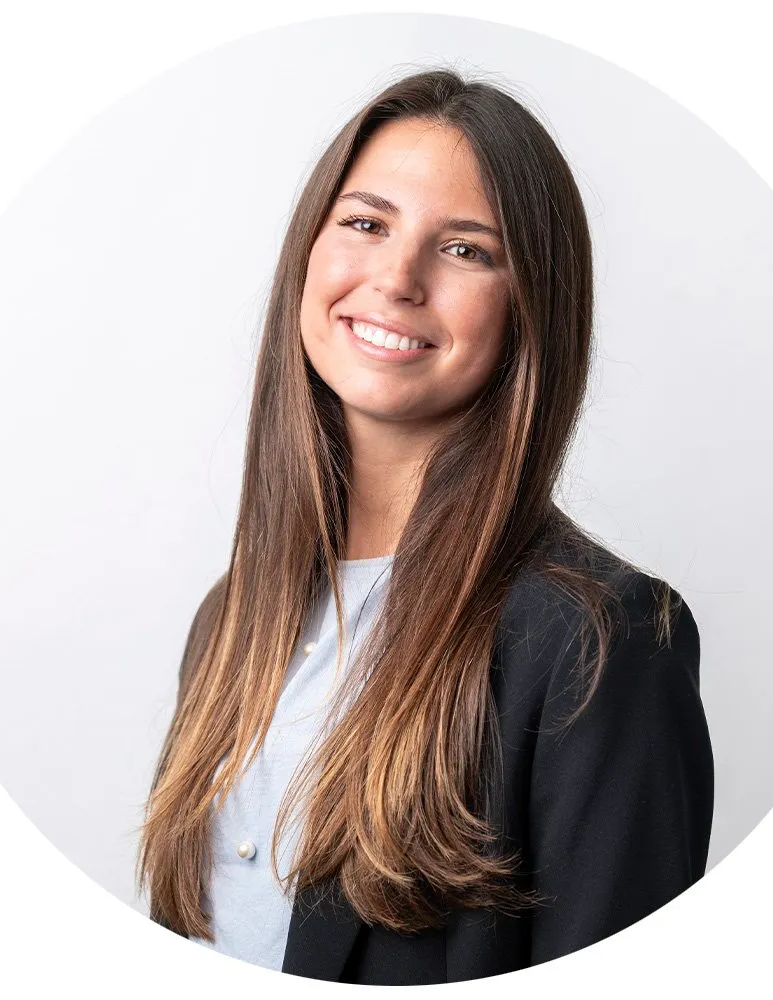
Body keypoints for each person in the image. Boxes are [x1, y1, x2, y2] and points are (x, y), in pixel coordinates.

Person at [135, 66, 714, 985]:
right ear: (308, 254)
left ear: (532, 307)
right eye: (365, 224)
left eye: (467, 251)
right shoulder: (230, 621)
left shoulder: (601, 642)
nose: (397, 278)